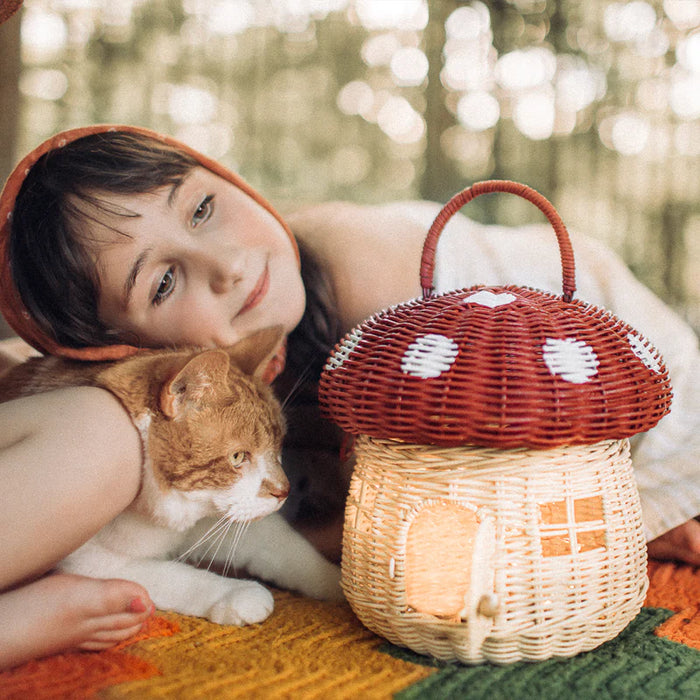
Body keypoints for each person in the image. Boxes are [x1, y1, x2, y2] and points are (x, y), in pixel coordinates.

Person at [0, 126, 698, 670]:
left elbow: (438, 517)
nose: (230, 264)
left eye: (204, 207)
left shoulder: (371, 277)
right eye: (161, 284)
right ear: (122, 349)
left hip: (620, 374)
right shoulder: (183, 398)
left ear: (227, 177)